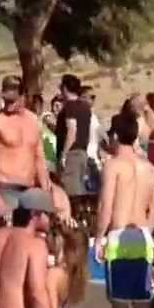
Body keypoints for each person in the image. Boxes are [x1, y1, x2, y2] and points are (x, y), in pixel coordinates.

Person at [96, 110, 154, 308]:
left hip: (119, 235)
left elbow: (106, 206)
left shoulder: (113, 166)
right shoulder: (149, 168)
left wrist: (99, 237)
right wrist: (146, 231)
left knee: (120, 303)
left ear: (114, 136)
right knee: (142, 302)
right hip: (142, 235)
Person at [0, 76, 48, 220]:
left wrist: (45, 191)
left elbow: (39, 158)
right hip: (4, 188)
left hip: (29, 190)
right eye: (5, 100)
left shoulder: (33, 121)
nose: (8, 105)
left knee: (29, 232)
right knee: (7, 232)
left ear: (23, 96)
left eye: (12, 101)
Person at [56, 74, 96, 211]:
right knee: (79, 188)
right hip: (82, 152)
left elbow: (71, 131)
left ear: (65, 88)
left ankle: (73, 218)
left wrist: (64, 155)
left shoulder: (70, 107)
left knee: (70, 191)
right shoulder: (85, 107)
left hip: (72, 153)